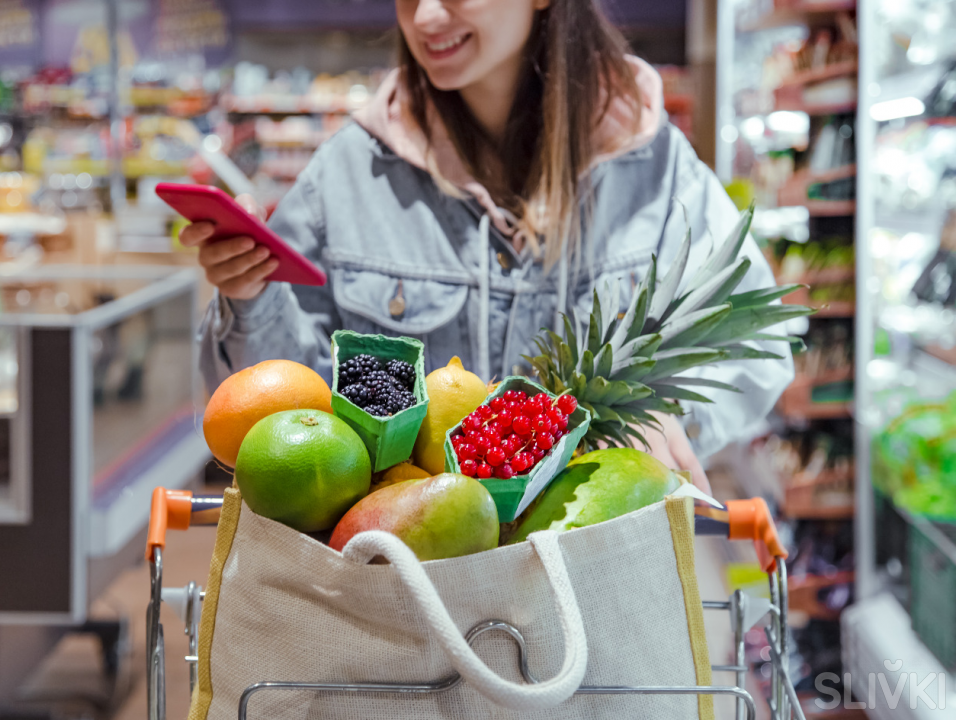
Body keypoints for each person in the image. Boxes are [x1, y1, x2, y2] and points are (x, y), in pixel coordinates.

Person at [180, 0, 794, 491]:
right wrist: (249, 296)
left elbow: (756, 340)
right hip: (407, 590)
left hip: (594, 580)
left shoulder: (654, 166)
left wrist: (664, 415)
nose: (424, 18)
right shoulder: (349, 172)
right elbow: (281, 413)